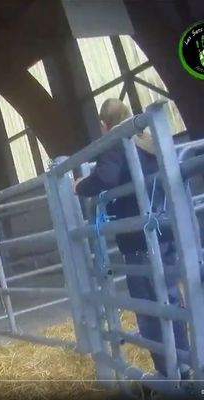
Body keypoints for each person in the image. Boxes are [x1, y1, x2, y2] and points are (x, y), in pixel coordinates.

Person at [73, 98, 190, 380]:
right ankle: (186, 364)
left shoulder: (117, 141)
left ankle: (169, 372)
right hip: (165, 232)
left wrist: (80, 186)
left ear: (104, 125)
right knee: (171, 300)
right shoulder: (147, 140)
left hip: (140, 240)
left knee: (150, 310)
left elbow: (107, 176)